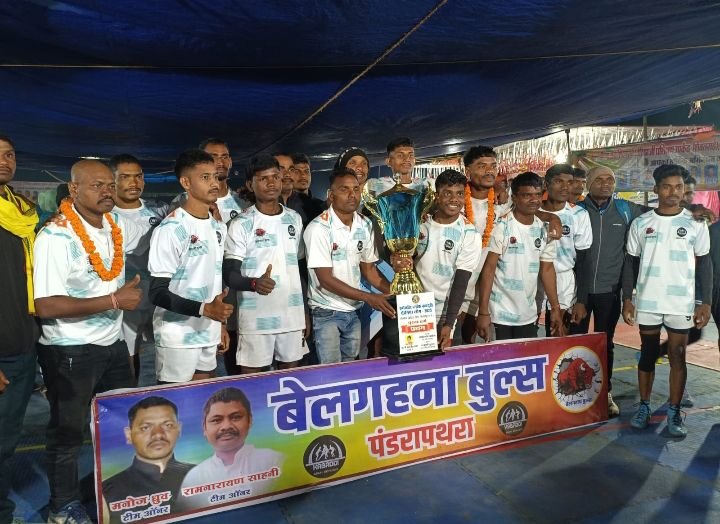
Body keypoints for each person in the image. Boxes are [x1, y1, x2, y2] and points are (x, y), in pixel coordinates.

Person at [33, 159, 145, 524]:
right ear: (73, 189)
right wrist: (114, 301)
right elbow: (46, 305)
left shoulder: (113, 226)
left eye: (109, 185)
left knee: (121, 424)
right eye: (97, 185)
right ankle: (62, 508)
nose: (106, 191)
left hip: (112, 343)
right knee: (68, 434)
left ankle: (115, 493)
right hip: (70, 349)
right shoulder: (56, 236)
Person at [622, 164, 711, 437]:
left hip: (680, 302)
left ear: (684, 190)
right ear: (656, 189)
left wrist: (705, 302)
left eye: (678, 187)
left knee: (678, 356)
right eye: (667, 187)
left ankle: (674, 410)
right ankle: (644, 406)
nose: (673, 192)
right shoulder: (641, 223)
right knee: (648, 353)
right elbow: (630, 263)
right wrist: (627, 298)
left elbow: (705, 263)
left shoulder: (696, 223)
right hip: (648, 300)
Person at [148, 150, 233, 384]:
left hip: (208, 329)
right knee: (176, 401)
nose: (214, 183)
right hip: (177, 335)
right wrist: (205, 310)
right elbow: (157, 292)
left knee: (203, 396)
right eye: (205, 177)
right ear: (186, 183)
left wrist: (220, 324)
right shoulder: (170, 229)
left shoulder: (218, 227)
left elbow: (214, 282)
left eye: (215, 177)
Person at [223, 154, 309, 373]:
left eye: (275, 177)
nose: (271, 183)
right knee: (253, 381)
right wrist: (254, 283)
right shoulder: (241, 223)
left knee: (289, 378)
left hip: (292, 317)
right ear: (250, 185)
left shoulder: (294, 219)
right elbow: (230, 274)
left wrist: (305, 312)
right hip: (256, 320)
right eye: (263, 178)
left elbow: (299, 268)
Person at [573, 165, 647, 417]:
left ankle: (605, 392)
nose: (605, 184)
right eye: (599, 179)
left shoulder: (626, 210)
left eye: (610, 180)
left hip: (610, 291)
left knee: (606, 344)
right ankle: (575, 394)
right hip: (578, 294)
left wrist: (627, 296)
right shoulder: (577, 211)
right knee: (575, 343)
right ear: (588, 184)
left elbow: (659, 212)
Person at [304, 167, 395, 363]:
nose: (352, 194)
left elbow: (369, 271)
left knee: (350, 367)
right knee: (331, 371)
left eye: (355, 189)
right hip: (326, 311)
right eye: (344, 189)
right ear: (331, 195)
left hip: (354, 310)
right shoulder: (318, 228)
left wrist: (398, 293)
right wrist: (368, 297)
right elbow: (325, 280)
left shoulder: (365, 224)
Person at [0, 135, 40, 524]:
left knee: (7, 438)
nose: (4, 160)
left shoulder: (22, 212)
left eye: (9, 154)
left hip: (23, 342)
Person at [476, 172, 564, 341]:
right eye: (527, 195)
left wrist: (555, 307)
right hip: (498, 313)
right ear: (514, 198)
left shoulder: (545, 229)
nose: (534, 200)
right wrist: (483, 311)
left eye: (537, 195)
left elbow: (547, 269)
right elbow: (489, 269)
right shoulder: (501, 226)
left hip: (528, 314)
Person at [110, 154, 168, 384]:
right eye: (125, 177)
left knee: (169, 356)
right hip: (126, 300)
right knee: (128, 358)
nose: (133, 182)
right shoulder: (105, 216)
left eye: (138, 176)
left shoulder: (160, 212)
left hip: (159, 297)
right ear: (112, 180)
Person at [180, 387, 283, 506]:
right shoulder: (193, 477)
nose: (226, 426)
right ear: (204, 427)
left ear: (249, 420)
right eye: (216, 420)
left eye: (236, 417)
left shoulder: (275, 461)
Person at [414, 169, 481, 348]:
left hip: (447, 314)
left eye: (459, 194)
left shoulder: (469, 233)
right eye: (447, 193)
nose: (454, 199)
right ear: (437, 196)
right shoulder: (420, 224)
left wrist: (449, 324)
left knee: (448, 364)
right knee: (416, 362)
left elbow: (461, 280)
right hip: (415, 311)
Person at [102, 396, 193, 523]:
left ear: (179, 429)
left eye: (168, 425)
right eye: (145, 427)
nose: (158, 434)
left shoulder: (202, 475)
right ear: (128, 435)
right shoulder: (106, 491)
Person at [538, 164, 592, 338]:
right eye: (558, 181)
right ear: (546, 184)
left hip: (563, 279)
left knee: (558, 332)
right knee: (526, 332)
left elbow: (584, 260)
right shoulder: (531, 210)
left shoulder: (579, 215)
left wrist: (582, 300)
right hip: (532, 278)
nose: (565, 187)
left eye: (569, 182)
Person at [171, 138, 248, 223]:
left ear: (230, 161)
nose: (220, 163)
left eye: (224, 157)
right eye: (213, 157)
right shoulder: (182, 201)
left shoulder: (243, 202)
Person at [290, 153, 325, 222]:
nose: (303, 175)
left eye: (306, 171)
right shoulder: (284, 206)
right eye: (297, 171)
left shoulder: (321, 206)